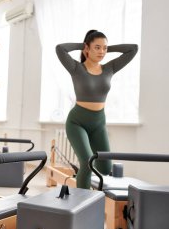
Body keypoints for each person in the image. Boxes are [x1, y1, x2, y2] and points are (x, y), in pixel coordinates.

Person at [55, 30, 138, 189]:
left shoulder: (109, 68)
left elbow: (133, 48)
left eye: (104, 48)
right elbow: (60, 48)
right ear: (87, 49)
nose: (102, 52)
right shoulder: (76, 68)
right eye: (97, 47)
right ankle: (81, 204)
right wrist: (84, 45)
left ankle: (84, 181)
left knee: (105, 169)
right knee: (87, 163)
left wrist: (108, 48)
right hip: (77, 122)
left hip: (99, 123)